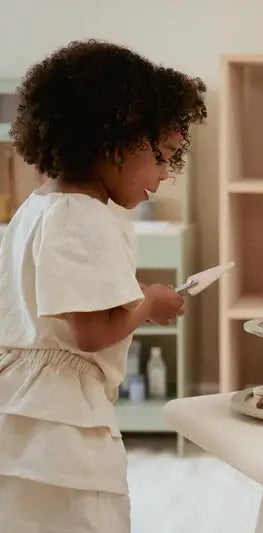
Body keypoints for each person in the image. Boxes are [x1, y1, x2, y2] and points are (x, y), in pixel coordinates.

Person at [0, 40, 206, 532]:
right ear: (116, 137)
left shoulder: (37, 207)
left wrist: (131, 294)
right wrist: (147, 303)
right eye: (163, 157)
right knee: (85, 517)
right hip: (61, 422)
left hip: (18, 406)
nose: (161, 179)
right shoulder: (84, 215)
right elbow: (88, 332)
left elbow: (63, 292)